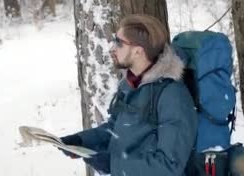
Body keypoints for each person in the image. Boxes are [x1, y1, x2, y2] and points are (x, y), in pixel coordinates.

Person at [59, 14, 197, 175]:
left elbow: (169, 165)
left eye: (119, 43)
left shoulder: (173, 96)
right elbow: (114, 129)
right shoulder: (130, 83)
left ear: (138, 51)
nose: (112, 48)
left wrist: (113, 165)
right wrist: (81, 141)